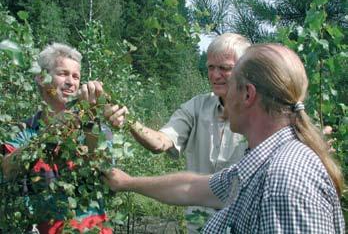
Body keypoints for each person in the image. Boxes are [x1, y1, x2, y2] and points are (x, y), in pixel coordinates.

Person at [103, 43, 345, 233]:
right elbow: (191, 187)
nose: (219, 86)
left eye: (230, 81)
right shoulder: (262, 164)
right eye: (211, 68)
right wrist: (127, 182)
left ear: (248, 94)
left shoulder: (283, 179)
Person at [104, 33, 250, 232]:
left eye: (224, 68)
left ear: (244, 70)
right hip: (200, 227)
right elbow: (160, 142)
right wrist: (129, 120)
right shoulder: (197, 107)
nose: (215, 75)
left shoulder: (258, 114)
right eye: (210, 67)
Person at [1, 43, 111, 233]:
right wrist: (54, 130)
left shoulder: (92, 126)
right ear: (42, 78)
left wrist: (88, 119)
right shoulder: (25, 130)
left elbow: (102, 164)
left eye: (76, 76)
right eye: (63, 74)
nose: (71, 82)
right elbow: (8, 168)